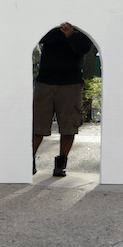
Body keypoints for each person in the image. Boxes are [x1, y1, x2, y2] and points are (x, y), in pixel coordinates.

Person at [32, 22, 93, 177]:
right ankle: (29, 160)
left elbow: (85, 47)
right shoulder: (50, 24)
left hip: (71, 83)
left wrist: (71, 35)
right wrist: (59, 31)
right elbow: (40, 38)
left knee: (69, 125)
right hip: (45, 82)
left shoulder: (82, 26)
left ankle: (61, 164)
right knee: (38, 124)